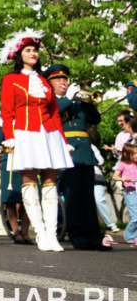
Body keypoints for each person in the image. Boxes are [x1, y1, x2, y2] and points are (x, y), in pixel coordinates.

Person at [0, 30, 72, 252]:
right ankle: (39, 233)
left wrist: (62, 139)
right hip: (25, 133)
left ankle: (51, 234)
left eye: (35, 50)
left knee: (51, 184)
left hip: (49, 135)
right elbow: (7, 111)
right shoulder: (11, 79)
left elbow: (54, 113)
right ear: (19, 54)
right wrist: (9, 137)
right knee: (29, 182)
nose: (33, 54)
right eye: (28, 50)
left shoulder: (42, 80)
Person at [46, 64, 107, 251]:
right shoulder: (51, 102)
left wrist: (87, 101)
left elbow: (95, 119)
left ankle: (94, 238)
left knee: (88, 198)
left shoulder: (77, 101)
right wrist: (69, 98)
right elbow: (53, 114)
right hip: (67, 153)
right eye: (58, 79)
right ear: (50, 84)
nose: (63, 82)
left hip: (85, 153)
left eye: (65, 79)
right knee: (72, 199)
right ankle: (78, 237)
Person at [112, 142, 137, 247]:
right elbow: (114, 176)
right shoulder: (123, 164)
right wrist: (123, 178)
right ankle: (129, 236)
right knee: (136, 218)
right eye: (135, 153)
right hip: (130, 192)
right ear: (127, 154)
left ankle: (134, 237)